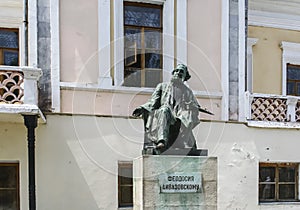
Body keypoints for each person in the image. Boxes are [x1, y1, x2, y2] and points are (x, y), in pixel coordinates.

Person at [132, 64, 211, 154]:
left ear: (185, 77)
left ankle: (181, 141)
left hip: (180, 117)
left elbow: (194, 106)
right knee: (164, 109)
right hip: (166, 115)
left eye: (181, 72)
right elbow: (153, 102)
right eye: (177, 71)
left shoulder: (187, 91)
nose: (178, 73)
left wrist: (193, 107)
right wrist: (141, 108)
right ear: (173, 73)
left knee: (187, 114)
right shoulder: (162, 86)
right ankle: (162, 140)